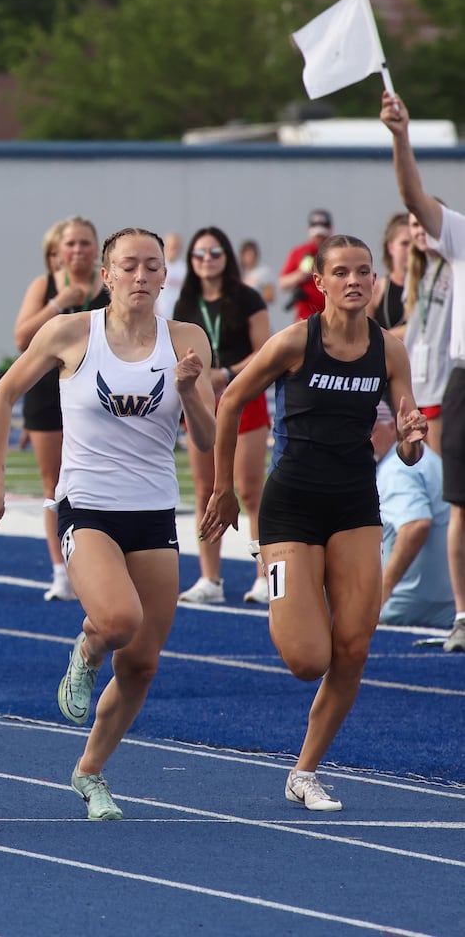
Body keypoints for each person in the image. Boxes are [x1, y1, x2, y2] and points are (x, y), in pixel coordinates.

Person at [0, 227, 217, 821]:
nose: (142, 276)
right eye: (129, 266)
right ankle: (85, 651)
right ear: (107, 275)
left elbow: (209, 437)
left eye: (153, 267)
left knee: (141, 663)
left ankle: (90, 773)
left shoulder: (186, 339)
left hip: (155, 510)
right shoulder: (70, 331)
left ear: (167, 276)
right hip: (87, 506)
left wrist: (190, 392)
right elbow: (2, 395)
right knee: (117, 620)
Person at [202, 231, 429, 810]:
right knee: (309, 660)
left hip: (354, 503)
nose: (355, 281)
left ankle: (304, 772)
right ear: (320, 283)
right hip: (291, 506)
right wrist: (224, 488)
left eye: (365, 272)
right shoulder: (294, 342)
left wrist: (409, 443)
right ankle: (287, 587)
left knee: (354, 646)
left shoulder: (390, 350)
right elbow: (231, 401)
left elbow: (407, 448)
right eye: (343, 273)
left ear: (376, 282)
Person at [383, 90, 465, 654]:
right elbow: (415, 197)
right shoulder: (457, 240)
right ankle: (462, 614)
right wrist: (400, 135)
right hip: (456, 384)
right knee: (458, 503)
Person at [171, 227, 272, 605]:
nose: (207, 259)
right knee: (205, 491)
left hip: (243, 397)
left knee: (249, 490)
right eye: (199, 254)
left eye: (214, 252)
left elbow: (265, 350)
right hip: (201, 402)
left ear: (227, 255)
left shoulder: (246, 298)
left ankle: (264, 575)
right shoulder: (186, 302)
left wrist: (225, 373)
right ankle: (210, 579)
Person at [13, 216, 108, 601]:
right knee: (53, 484)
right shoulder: (45, 286)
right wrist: (58, 303)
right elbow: (22, 336)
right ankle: (60, 571)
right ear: (58, 251)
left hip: (95, 395)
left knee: (98, 479)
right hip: (48, 393)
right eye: (70, 244)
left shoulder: (109, 286)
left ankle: (99, 564)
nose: (77, 251)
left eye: (85, 243)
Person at [372, 400, 454, 628]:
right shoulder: (428, 458)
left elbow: (416, 525)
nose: (367, 439)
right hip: (447, 603)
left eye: (372, 430)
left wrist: (383, 592)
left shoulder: (395, 469)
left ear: (392, 427)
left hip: (409, 603)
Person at [401, 206, 450, 455]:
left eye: (426, 224)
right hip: (417, 379)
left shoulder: (455, 267)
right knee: (425, 462)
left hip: (443, 379)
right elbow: (413, 329)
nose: (421, 231)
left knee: (444, 467)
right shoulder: (417, 272)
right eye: (415, 225)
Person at [279, 209, 333, 322]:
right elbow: (283, 283)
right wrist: (300, 275)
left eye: (322, 236)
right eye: (317, 236)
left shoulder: (336, 253)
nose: (319, 239)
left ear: (330, 230)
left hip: (332, 317)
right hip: (305, 319)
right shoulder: (300, 252)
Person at [370, 213, 411, 333]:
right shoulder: (377, 290)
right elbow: (364, 338)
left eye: (415, 244)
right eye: (405, 244)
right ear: (391, 247)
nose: (411, 250)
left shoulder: (430, 289)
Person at [155, 232, 186, 319]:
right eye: (170, 246)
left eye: (175, 247)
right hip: (159, 315)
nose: (172, 250)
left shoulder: (185, 270)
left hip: (180, 316)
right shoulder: (156, 267)